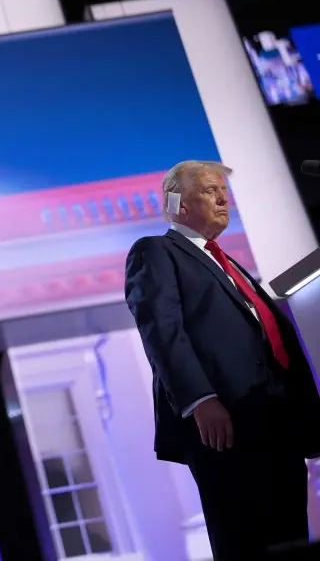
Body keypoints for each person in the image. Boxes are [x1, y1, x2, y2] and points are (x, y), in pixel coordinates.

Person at [125, 159, 320, 559]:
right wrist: (200, 399)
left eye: (224, 191)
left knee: (290, 535)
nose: (222, 199)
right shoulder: (157, 251)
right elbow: (162, 330)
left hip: (277, 419)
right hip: (226, 423)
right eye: (209, 191)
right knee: (245, 538)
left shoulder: (229, 264)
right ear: (178, 203)